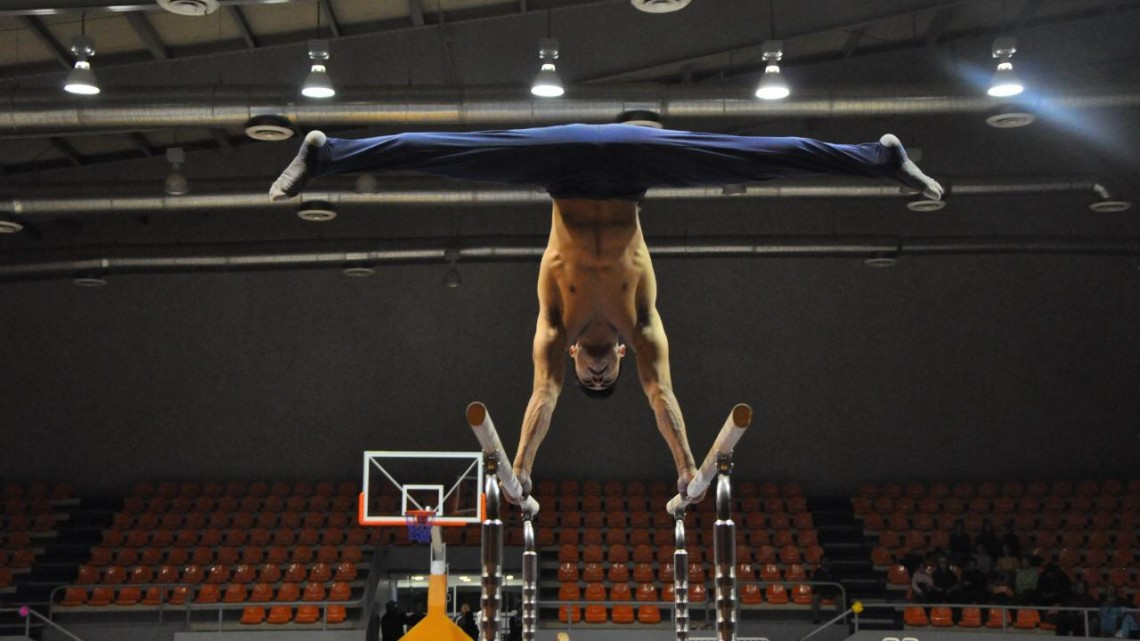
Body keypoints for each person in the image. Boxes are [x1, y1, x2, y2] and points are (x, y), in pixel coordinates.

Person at [269, 120, 943, 501]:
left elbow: (542, 398)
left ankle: (324, 156)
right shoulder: (641, 327)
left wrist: (521, 467)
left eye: (587, 379)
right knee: (756, 157)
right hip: (631, 168)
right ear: (620, 356)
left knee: (450, 155)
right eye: (605, 378)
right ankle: (882, 160)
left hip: (561, 168)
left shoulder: (554, 326)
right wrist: (686, 466)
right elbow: (661, 395)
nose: (595, 374)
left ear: (573, 361)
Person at [810, 556, 840, 623]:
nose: (826, 562)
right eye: (824, 560)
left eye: (827, 560)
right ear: (821, 562)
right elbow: (816, 583)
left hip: (832, 592)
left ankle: (840, 618)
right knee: (814, 598)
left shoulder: (834, 571)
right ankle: (816, 618)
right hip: (821, 592)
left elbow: (837, 581)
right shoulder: (817, 572)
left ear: (830, 562)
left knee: (840, 598)